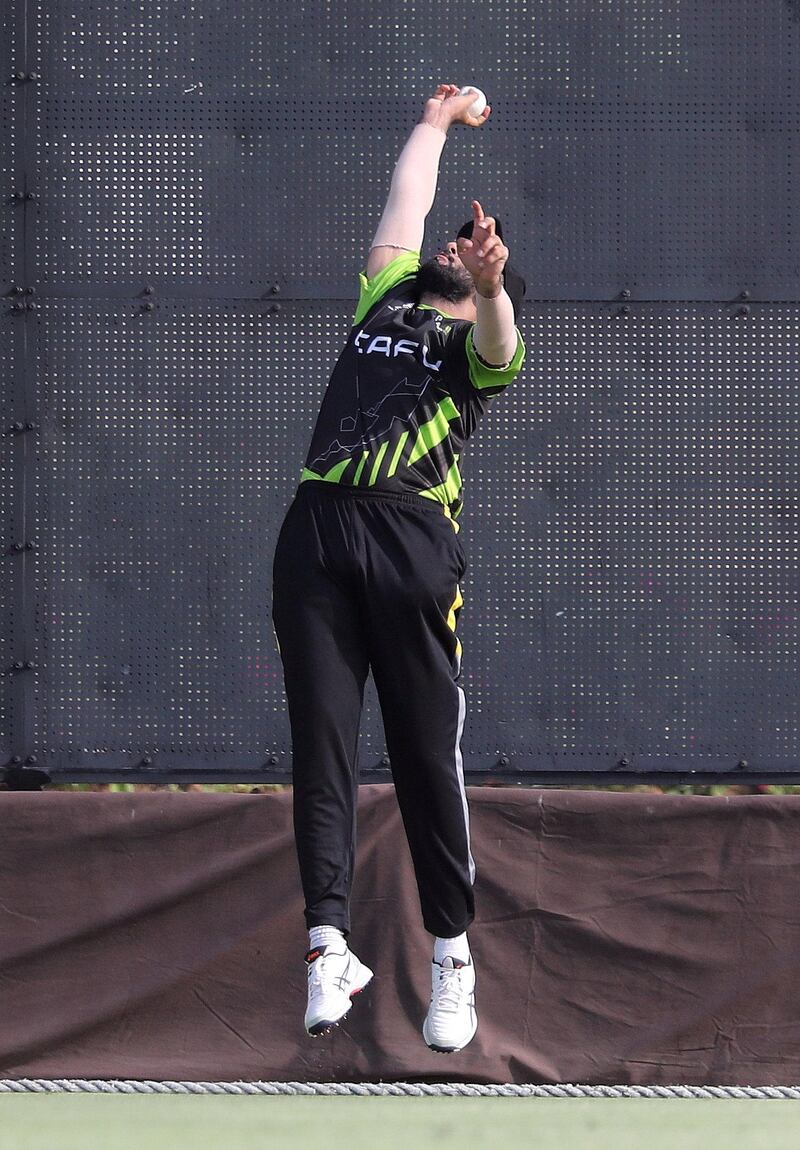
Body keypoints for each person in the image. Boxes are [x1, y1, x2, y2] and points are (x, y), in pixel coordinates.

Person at [271, 82, 526, 1054]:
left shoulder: (473, 343)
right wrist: (432, 123)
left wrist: (494, 287)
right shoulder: (385, 294)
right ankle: (326, 941)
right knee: (321, 743)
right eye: (456, 250)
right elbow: (404, 205)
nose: (453, 251)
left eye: (472, 254)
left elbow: (500, 338)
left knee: (424, 756)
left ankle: (452, 955)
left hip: (410, 539)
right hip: (318, 530)